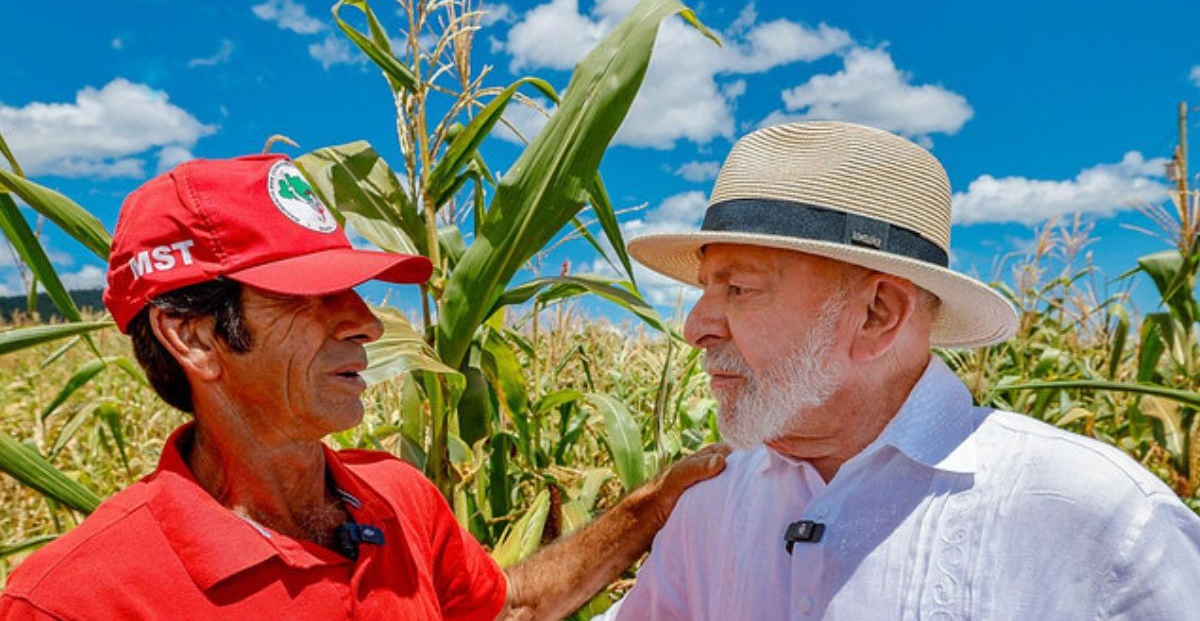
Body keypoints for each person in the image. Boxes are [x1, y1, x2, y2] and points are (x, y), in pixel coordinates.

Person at [0, 154, 729, 620]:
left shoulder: (398, 496)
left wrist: (654, 502)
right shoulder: (73, 600)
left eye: (353, 288)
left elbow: (514, 605)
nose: (367, 323)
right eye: (308, 296)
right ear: (191, 335)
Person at [608, 121, 1200, 619]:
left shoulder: (1097, 520)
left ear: (877, 314)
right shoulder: (711, 506)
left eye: (738, 288)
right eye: (707, 289)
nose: (695, 328)